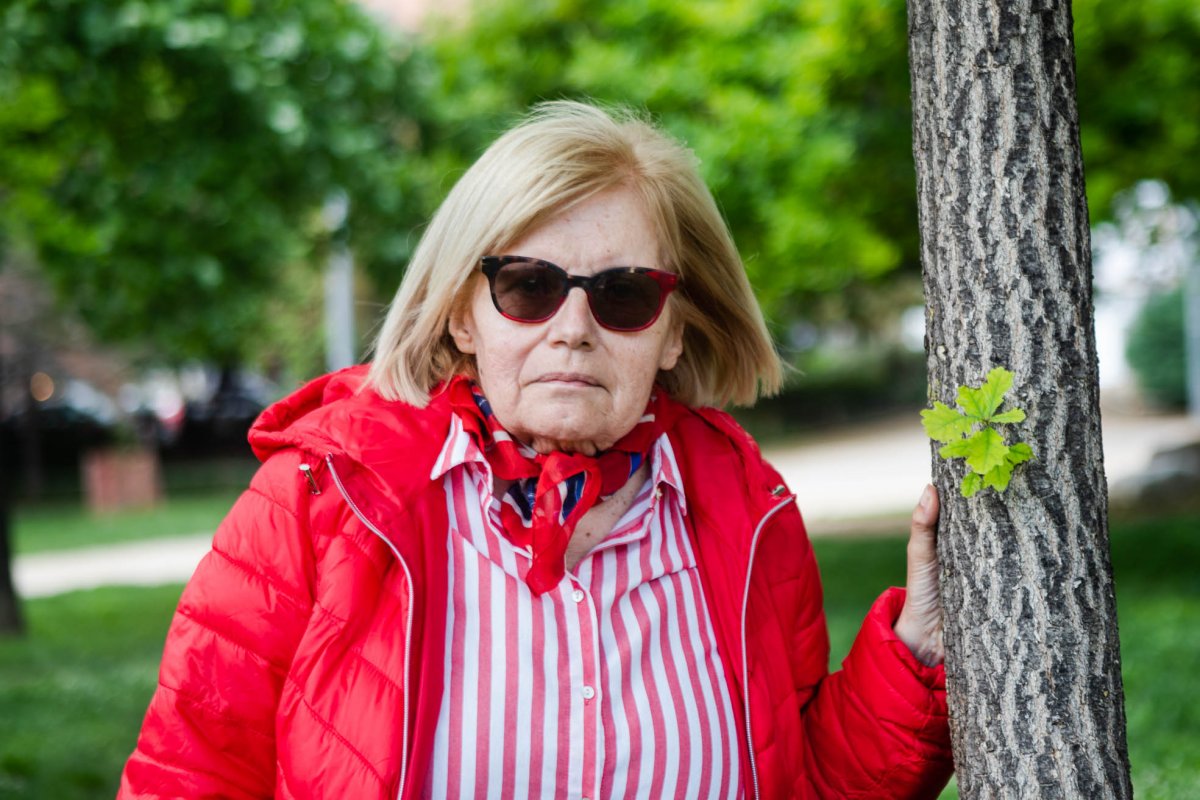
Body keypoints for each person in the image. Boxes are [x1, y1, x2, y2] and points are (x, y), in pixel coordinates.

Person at [120, 101, 953, 799]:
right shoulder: (316, 499)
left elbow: (804, 782)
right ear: (461, 316)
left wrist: (917, 650)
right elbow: (187, 775)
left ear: (672, 333)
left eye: (624, 294)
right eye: (529, 286)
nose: (573, 330)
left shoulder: (748, 511)